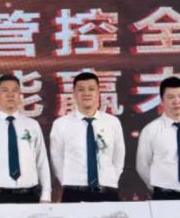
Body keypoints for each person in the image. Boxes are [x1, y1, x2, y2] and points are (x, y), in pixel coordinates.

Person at [0, 73, 51, 204]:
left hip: (30, 195)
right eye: (5, 90)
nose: (10, 94)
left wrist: (46, 195)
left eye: (15, 90)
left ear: (20, 95)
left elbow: (41, 161)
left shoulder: (32, 125)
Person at [49, 71, 126, 202]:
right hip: (74, 192)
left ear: (98, 92)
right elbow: (56, 159)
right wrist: (70, 183)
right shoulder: (61, 124)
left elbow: (118, 157)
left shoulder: (112, 122)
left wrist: (110, 180)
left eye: (91, 89)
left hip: (107, 191)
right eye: (81, 89)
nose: (86, 93)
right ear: (74, 93)